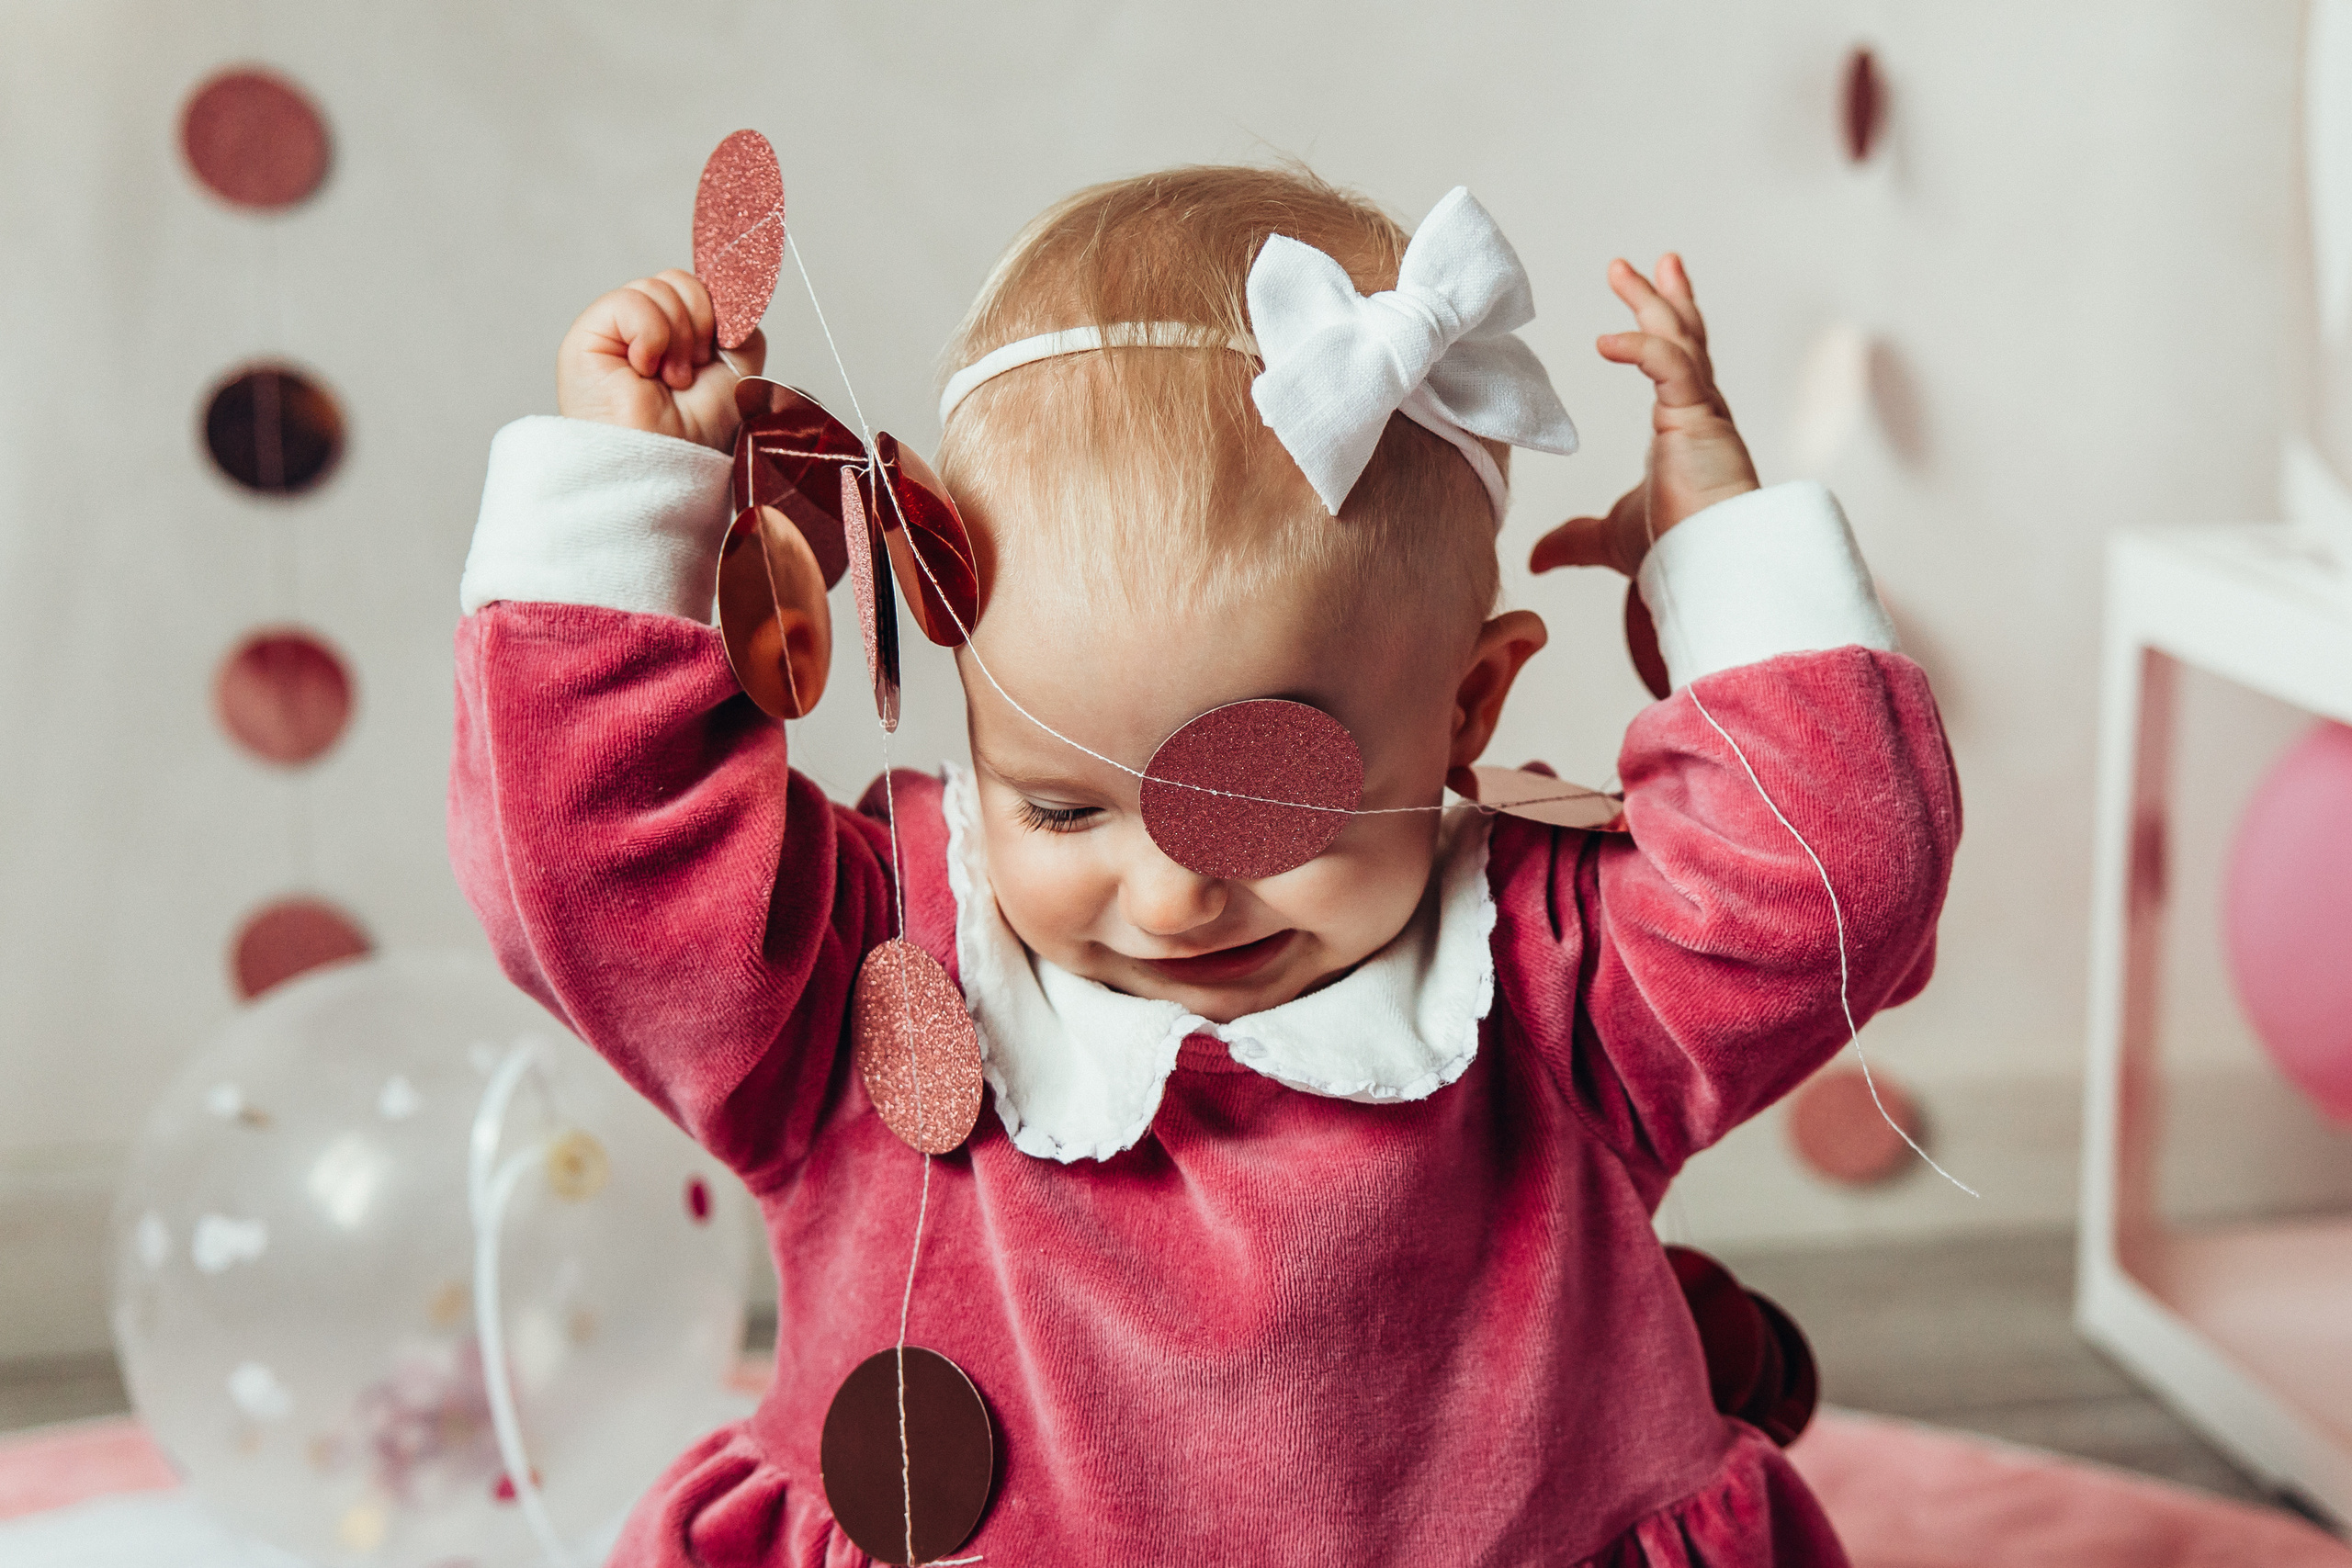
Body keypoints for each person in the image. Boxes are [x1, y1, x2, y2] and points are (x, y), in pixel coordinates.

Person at [451, 164, 1958, 1565]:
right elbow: (590, 880)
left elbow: (1840, 886)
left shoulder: (1549, 979)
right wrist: (621, 511)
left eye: (1264, 808)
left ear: (1466, 710)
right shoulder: (863, 978)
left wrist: (1730, 553)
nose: (1171, 900)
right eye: (1058, 811)